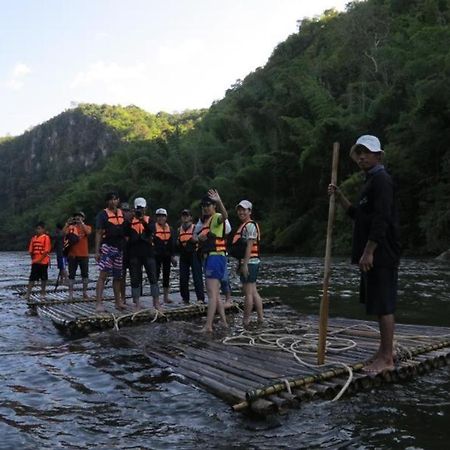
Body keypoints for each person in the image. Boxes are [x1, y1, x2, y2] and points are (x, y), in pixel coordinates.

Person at [328, 134, 400, 373]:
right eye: (359, 152)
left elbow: (382, 219)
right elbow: (359, 215)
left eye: (367, 152)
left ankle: (387, 358)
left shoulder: (382, 180)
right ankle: (383, 351)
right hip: (372, 254)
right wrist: (339, 197)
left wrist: (369, 251)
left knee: (384, 304)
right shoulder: (369, 181)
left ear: (378, 155)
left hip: (381, 252)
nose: (361, 156)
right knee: (378, 304)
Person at [197, 189, 229, 332]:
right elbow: (201, 238)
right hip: (213, 257)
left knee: (211, 293)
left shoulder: (216, 216)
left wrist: (219, 200)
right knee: (215, 294)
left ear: (214, 206)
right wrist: (200, 238)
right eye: (203, 205)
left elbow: (225, 216)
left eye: (209, 204)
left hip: (215, 257)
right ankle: (223, 321)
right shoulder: (206, 221)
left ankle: (208, 326)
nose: (206, 207)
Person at [125, 197, 161, 311]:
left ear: (146, 208)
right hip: (134, 253)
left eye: (142, 208)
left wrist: (143, 221)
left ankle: (156, 302)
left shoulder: (149, 220)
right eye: (138, 208)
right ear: (134, 209)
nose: (141, 210)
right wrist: (131, 218)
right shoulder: (130, 221)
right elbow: (125, 233)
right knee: (135, 278)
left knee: (153, 277)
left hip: (148, 253)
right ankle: (137, 303)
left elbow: (152, 230)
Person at [232, 200, 263, 326]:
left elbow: (249, 246)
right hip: (250, 262)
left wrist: (244, 265)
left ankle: (246, 320)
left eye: (244, 210)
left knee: (248, 293)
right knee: (253, 291)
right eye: (239, 210)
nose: (241, 212)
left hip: (250, 262)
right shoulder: (245, 225)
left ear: (250, 211)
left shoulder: (250, 225)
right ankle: (261, 318)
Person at [95, 192, 126, 312]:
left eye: (115, 199)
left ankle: (118, 302)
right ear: (107, 201)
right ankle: (98, 303)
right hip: (107, 247)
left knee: (118, 276)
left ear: (118, 201)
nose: (113, 202)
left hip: (119, 248)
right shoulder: (102, 215)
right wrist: (97, 251)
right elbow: (98, 232)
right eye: (111, 200)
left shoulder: (121, 213)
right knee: (103, 275)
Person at [177, 209, 205, 304]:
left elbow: (202, 239)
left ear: (191, 217)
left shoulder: (196, 228)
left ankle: (200, 298)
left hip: (194, 254)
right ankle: (185, 298)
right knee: (183, 278)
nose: (185, 217)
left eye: (187, 215)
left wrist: (196, 240)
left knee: (197, 277)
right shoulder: (179, 230)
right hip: (184, 255)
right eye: (183, 215)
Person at [63, 212, 92, 301]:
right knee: (71, 275)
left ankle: (84, 292)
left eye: (80, 217)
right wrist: (67, 224)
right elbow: (63, 233)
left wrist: (82, 224)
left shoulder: (87, 227)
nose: (78, 218)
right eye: (76, 217)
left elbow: (88, 232)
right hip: (72, 255)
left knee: (85, 274)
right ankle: (71, 294)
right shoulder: (71, 228)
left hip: (84, 254)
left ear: (83, 218)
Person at [153, 208, 177, 304]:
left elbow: (172, 244)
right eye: (159, 216)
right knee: (156, 276)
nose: (161, 218)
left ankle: (166, 297)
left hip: (167, 255)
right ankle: (156, 298)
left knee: (166, 276)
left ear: (166, 217)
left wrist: (173, 257)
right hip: (156, 256)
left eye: (163, 216)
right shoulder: (153, 228)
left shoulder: (170, 229)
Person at [25, 222, 51, 300]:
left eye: (39, 228)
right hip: (35, 261)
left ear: (43, 229)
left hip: (43, 261)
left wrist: (39, 260)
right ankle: (28, 293)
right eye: (37, 229)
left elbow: (46, 251)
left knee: (43, 278)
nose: (38, 230)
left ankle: (43, 292)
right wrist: (33, 259)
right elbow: (31, 251)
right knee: (32, 278)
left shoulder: (46, 238)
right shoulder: (33, 238)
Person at [120, 202, 133, 304]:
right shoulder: (118, 224)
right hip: (121, 252)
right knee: (122, 275)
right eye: (123, 211)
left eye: (127, 211)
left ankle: (135, 297)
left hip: (132, 252)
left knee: (135, 275)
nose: (125, 213)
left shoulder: (134, 222)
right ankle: (122, 297)